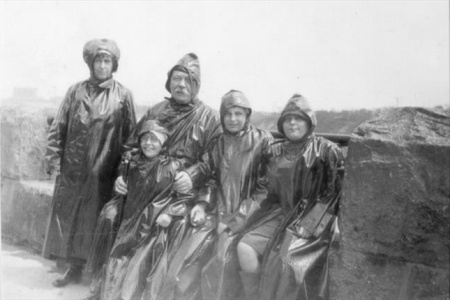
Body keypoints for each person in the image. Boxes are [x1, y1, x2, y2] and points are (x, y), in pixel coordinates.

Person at [114, 53, 222, 300]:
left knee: (175, 227)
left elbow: (214, 163)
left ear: (197, 84)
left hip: (182, 195)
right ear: (169, 81)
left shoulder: (210, 118)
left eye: (188, 80)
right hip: (146, 191)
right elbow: (131, 148)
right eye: (176, 78)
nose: (181, 85)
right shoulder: (156, 111)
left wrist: (193, 176)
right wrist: (122, 175)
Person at [43, 38, 137, 287]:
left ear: (113, 64)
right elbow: (59, 125)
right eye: (98, 60)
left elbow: (131, 137)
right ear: (91, 63)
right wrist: (53, 156)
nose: (102, 65)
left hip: (104, 170)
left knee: (98, 218)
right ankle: (72, 267)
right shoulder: (75, 90)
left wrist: (124, 171)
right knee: (71, 218)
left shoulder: (123, 95)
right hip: (74, 168)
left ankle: (96, 269)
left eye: (107, 60)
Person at [237, 94, 345, 300]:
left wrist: (309, 224)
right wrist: (238, 219)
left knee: (287, 261)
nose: (292, 123)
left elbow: (332, 195)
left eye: (298, 118)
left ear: (309, 121)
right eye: (287, 119)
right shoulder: (275, 150)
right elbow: (264, 191)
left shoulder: (327, 149)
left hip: (313, 221)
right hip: (280, 214)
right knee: (245, 247)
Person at [95, 120, 191, 300]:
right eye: (144, 139)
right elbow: (121, 190)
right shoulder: (131, 163)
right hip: (130, 220)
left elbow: (184, 198)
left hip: (154, 224)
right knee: (118, 258)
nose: (148, 143)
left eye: (154, 139)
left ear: (163, 143)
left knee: (139, 263)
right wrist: (119, 184)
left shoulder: (172, 166)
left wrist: (169, 213)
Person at [199, 90, 274, 300]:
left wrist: (235, 221)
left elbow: (266, 188)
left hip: (250, 217)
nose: (233, 119)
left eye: (238, 114)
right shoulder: (218, 142)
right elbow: (210, 178)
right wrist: (202, 205)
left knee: (222, 258)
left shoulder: (263, 140)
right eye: (228, 114)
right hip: (218, 213)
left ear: (247, 115)